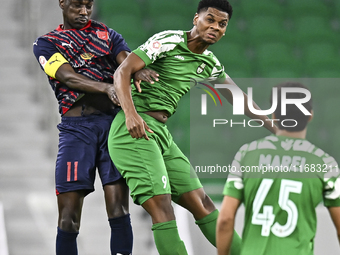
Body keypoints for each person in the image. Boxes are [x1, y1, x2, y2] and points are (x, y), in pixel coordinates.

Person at [108, 0, 277, 254]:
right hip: (134, 129)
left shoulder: (209, 63)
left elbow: (239, 98)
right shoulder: (168, 41)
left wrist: (278, 130)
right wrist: (131, 114)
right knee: (162, 206)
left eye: (222, 24)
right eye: (210, 19)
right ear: (195, 19)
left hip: (160, 134)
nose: (216, 28)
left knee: (203, 202)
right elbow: (122, 72)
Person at [33, 0, 157, 254]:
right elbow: (66, 75)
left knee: (119, 210)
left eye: (88, 6)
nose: (84, 12)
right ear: (62, 3)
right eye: (78, 5)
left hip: (113, 128)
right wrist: (106, 87)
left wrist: (136, 71)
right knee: (68, 217)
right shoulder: (47, 43)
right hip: (76, 130)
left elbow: (125, 62)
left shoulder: (107, 35)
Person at [216, 82, 340, 255]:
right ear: (310, 116)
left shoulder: (247, 154)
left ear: (274, 115)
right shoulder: (325, 163)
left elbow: (225, 220)